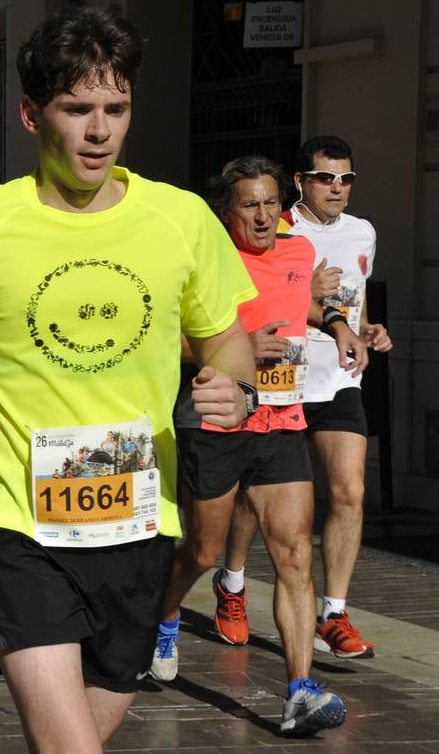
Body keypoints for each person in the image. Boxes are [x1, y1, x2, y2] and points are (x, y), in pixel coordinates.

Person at [0, 3, 262, 751]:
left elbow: (228, 342)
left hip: (136, 518)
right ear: (31, 114)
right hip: (14, 514)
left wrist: (234, 386)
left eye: (115, 108)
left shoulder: (181, 220)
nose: (98, 130)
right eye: (76, 108)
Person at [150, 156, 366, 735]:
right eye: (250, 204)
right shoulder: (205, 261)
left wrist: (340, 324)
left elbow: (304, 305)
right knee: (201, 550)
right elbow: (167, 341)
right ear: (229, 213)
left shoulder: (298, 252)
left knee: (294, 553)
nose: (265, 215)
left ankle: (299, 689)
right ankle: (166, 615)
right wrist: (241, 345)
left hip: (282, 421)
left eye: (271, 202)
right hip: (215, 420)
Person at [213, 136, 393, 660]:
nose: (336, 188)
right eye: (324, 178)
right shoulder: (275, 227)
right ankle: (233, 583)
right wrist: (305, 288)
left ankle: (333, 614)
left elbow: (355, 306)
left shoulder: (364, 232)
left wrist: (364, 329)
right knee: (251, 497)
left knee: (350, 491)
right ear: (300, 181)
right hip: (277, 378)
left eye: (346, 179)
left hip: (337, 379)